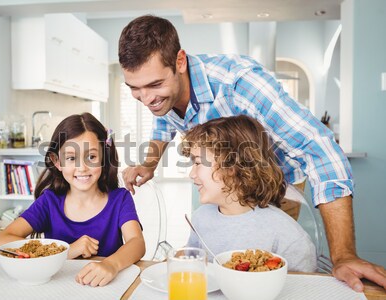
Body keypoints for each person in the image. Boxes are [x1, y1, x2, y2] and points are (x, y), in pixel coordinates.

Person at [118, 15, 386, 291]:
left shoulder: (240, 84)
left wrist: (343, 255)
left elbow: (322, 152)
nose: (147, 99)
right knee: (228, 268)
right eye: (135, 89)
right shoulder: (164, 95)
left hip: (278, 187)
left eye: (154, 85)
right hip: (225, 190)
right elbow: (164, 119)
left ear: (180, 62)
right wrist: (149, 164)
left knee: (263, 273)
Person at [0, 112, 145, 287]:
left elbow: (137, 243)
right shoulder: (49, 202)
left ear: (103, 158)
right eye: (71, 158)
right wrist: (66, 251)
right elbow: (1, 241)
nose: (82, 167)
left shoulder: (120, 199)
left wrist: (111, 264)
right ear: (57, 162)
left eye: (92, 157)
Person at [183, 115, 317, 272]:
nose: (191, 174)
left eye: (198, 163)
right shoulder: (200, 218)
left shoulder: (288, 237)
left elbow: (305, 288)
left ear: (232, 166)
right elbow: (191, 261)